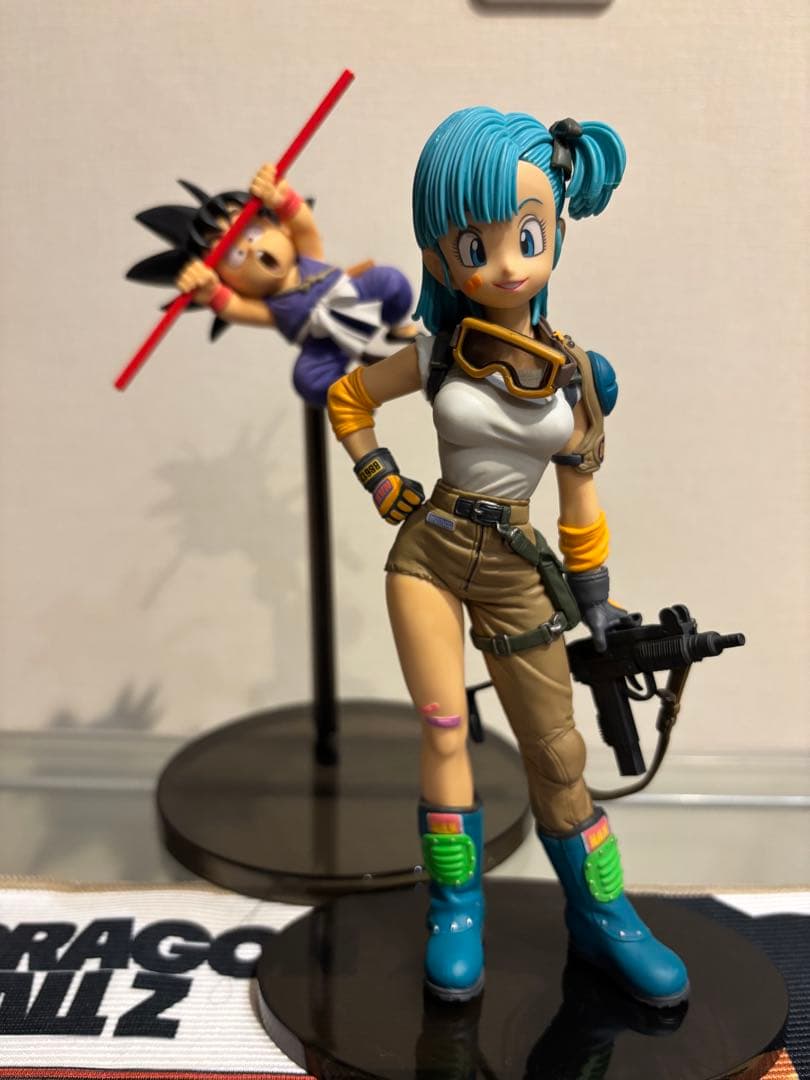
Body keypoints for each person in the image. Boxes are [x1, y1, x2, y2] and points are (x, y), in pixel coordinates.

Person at [326, 107, 689, 1008]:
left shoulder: (579, 376)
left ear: (557, 227)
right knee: (445, 726)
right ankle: (455, 910)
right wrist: (381, 478)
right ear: (440, 255)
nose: (503, 263)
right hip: (431, 549)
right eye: (471, 244)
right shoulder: (438, 352)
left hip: (520, 568)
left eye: (525, 235)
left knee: (556, 750)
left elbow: (580, 501)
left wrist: (595, 598)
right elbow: (347, 398)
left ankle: (603, 915)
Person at [127, 165, 416, 407]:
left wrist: (282, 199)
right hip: (324, 345)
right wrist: (210, 292)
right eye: (234, 254)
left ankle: (396, 327)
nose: (252, 250)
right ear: (227, 280)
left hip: (358, 300)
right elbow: (234, 307)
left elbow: (305, 226)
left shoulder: (308, 257)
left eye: (252, 232)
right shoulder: (270, 308)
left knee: (389, 280)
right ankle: (357, 395)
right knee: (308, 379)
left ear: (278, 226)